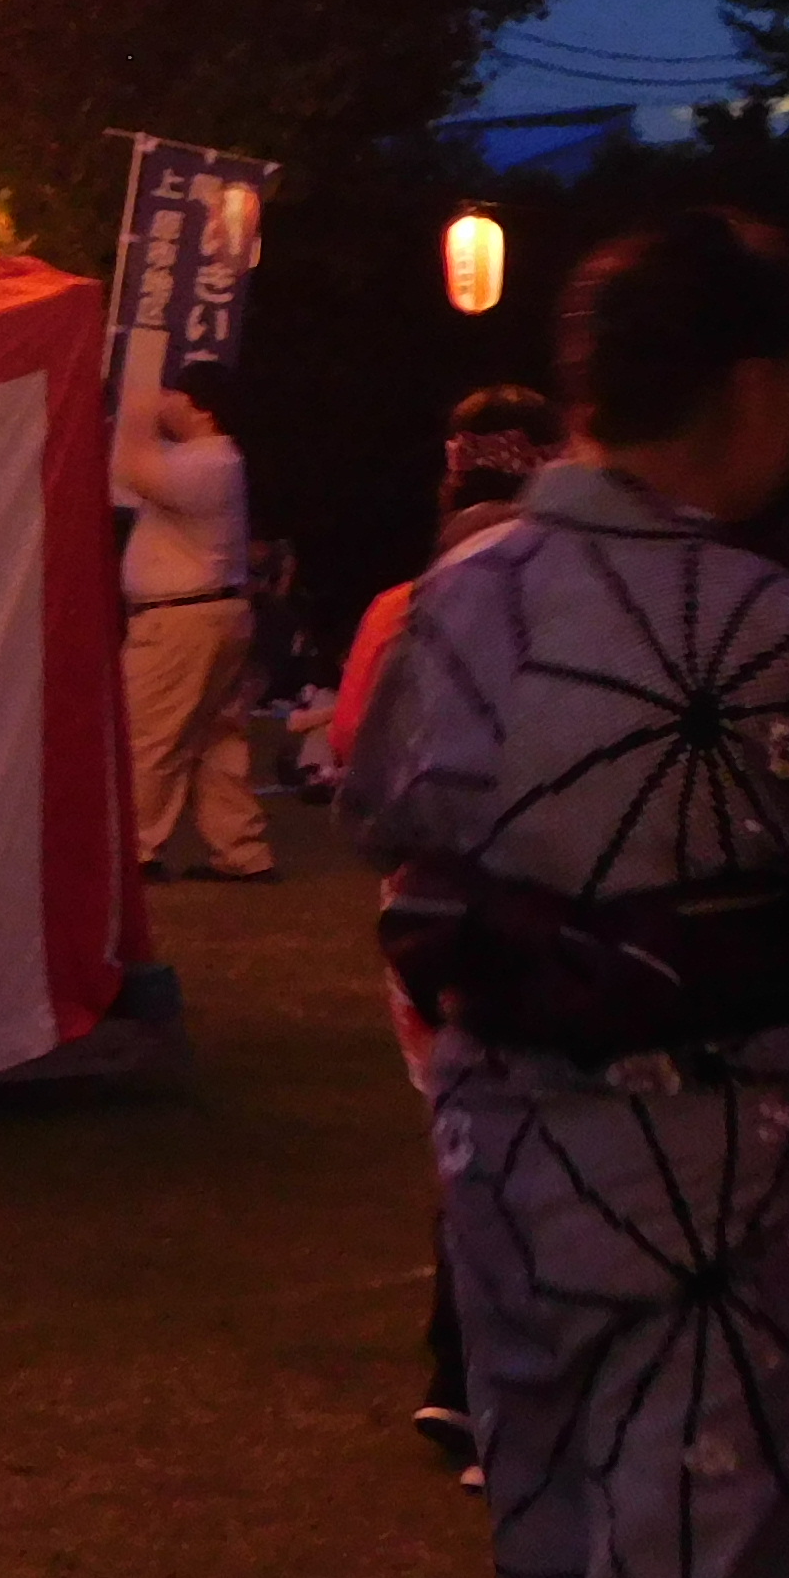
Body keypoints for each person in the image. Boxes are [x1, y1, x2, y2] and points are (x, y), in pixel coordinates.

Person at [344, 211, 789, 1578]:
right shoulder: (765, 633)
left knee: (560, 1572)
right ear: (755, 392)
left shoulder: (453, 600)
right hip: (723, 1172)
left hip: (502, 1156)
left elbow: (384, 813)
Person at [327, 382, 557, 1483]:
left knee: (468, 1142)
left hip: (423, 914)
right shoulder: (584, 597)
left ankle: (453, 1381)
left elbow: (347, 756)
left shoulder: (399, 607)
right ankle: (501, 1395)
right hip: (552, 901)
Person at [114, 342, 268, 881]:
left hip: (181, 619)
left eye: (174, 394)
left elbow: (132, 469)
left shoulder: (210, 459)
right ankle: (242, 852)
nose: (165, 402)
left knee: (150, 735)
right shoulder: (214, 460)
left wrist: (134, 408)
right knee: (217, 741)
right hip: (212, 613)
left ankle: (138, 849)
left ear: (202, 406)